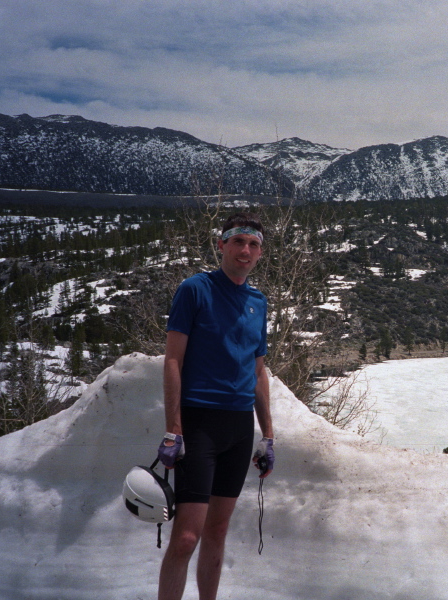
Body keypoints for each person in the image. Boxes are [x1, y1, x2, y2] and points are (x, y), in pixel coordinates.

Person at [156, 212, 275, 600]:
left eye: (254, 244)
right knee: (187, 537)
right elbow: (173, 359)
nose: (246, 250)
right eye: (239, 241)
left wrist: (268, 436)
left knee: (218, 531)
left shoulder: (259, 302)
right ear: (221, 244)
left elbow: (258, 372)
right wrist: (174, 428)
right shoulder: (195, 289)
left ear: (260, 252)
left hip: (239, 428)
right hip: (199, 423)